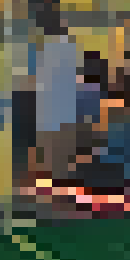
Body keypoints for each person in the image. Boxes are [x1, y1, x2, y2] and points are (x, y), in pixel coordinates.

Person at [31, 12, 81, 183]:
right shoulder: (69, 47)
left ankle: (55, 193)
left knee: (51, 161)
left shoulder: (43, 49)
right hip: (66, 113)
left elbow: (36, 81)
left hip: (49, 115)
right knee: (64, 160)